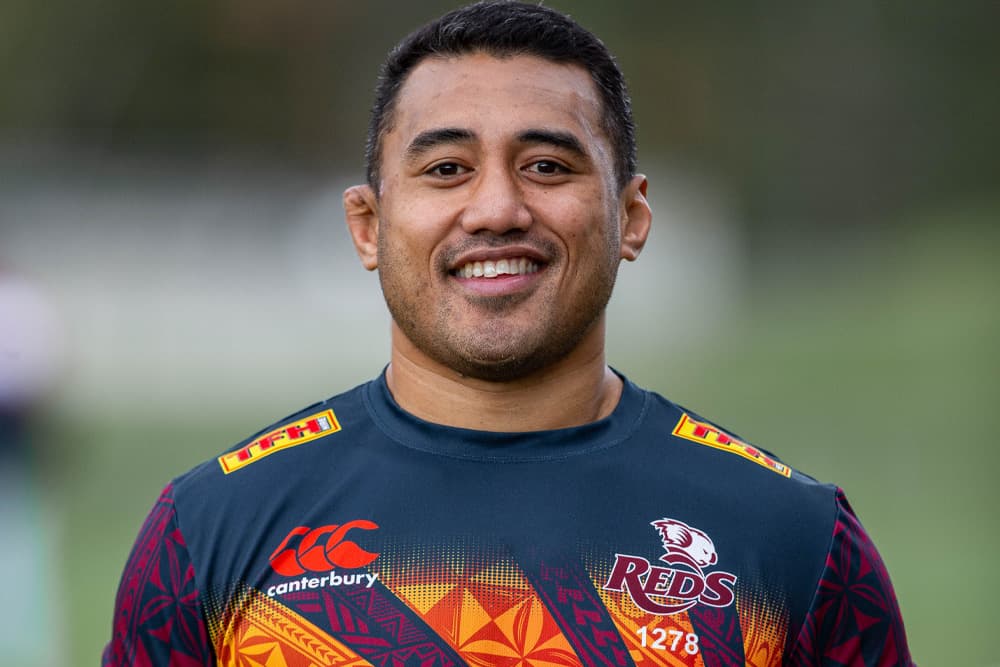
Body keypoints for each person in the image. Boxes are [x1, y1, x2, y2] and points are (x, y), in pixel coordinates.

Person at [104, 2, 913, 665]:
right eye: (447, 169)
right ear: (368, 225)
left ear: (629, 216)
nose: (496, 209)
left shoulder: (794, 539)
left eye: (548, 167)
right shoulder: (208, 530)